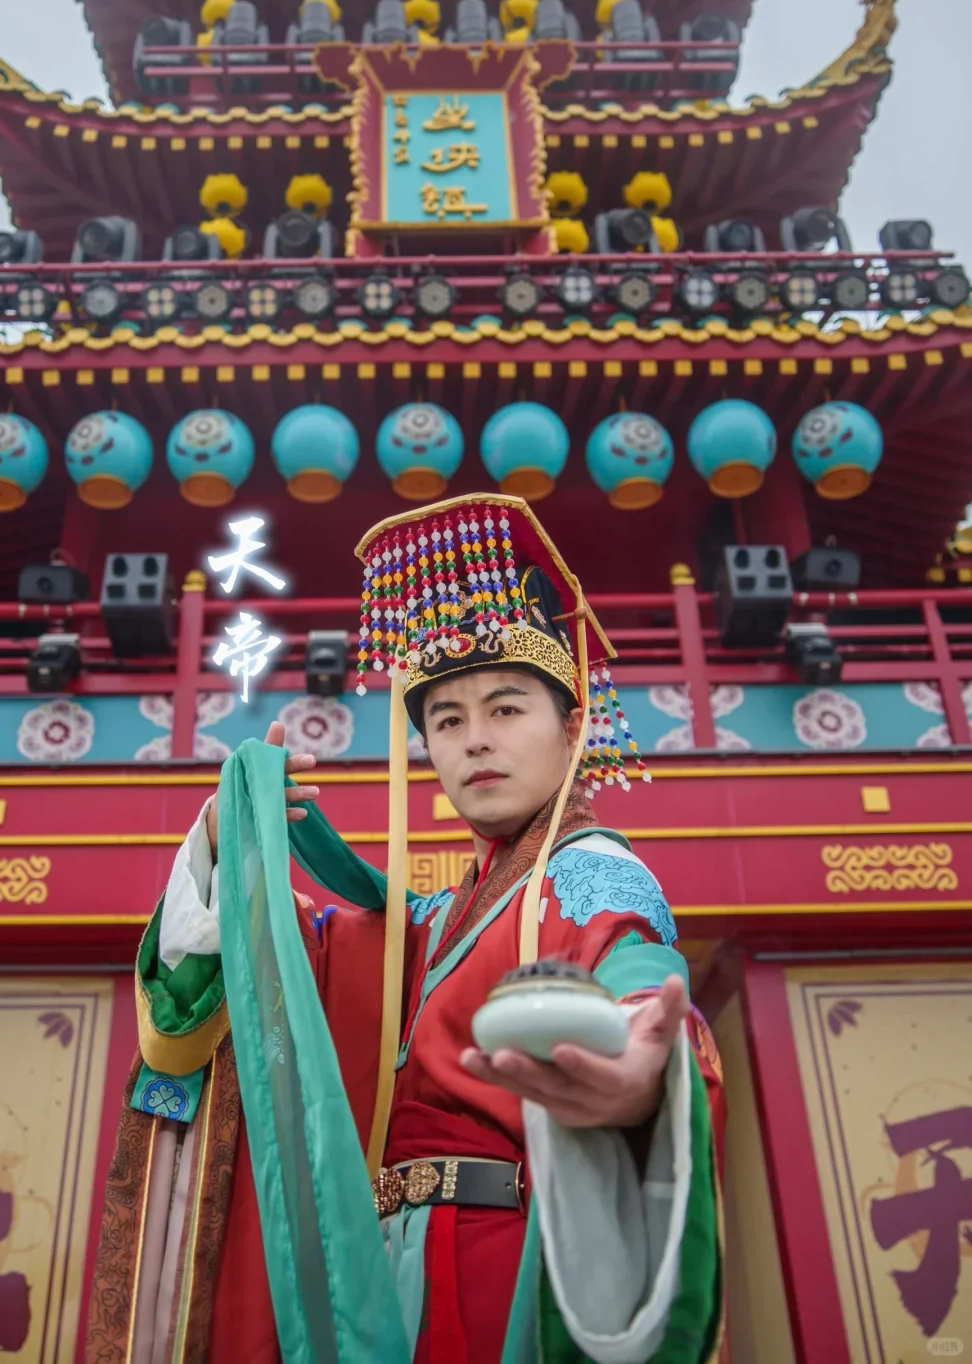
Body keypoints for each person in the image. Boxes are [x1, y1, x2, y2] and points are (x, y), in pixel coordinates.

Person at [87, 495, 724, 1364]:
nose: (475, 742)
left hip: (495, 1262)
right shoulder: (424, 924)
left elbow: (632, 966)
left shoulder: (592, 873)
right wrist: (225, 844)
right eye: (447, 721)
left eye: (506, 710)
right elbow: (288, 965)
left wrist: (641, 1069)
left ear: (571, 729)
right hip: (379, 1277)